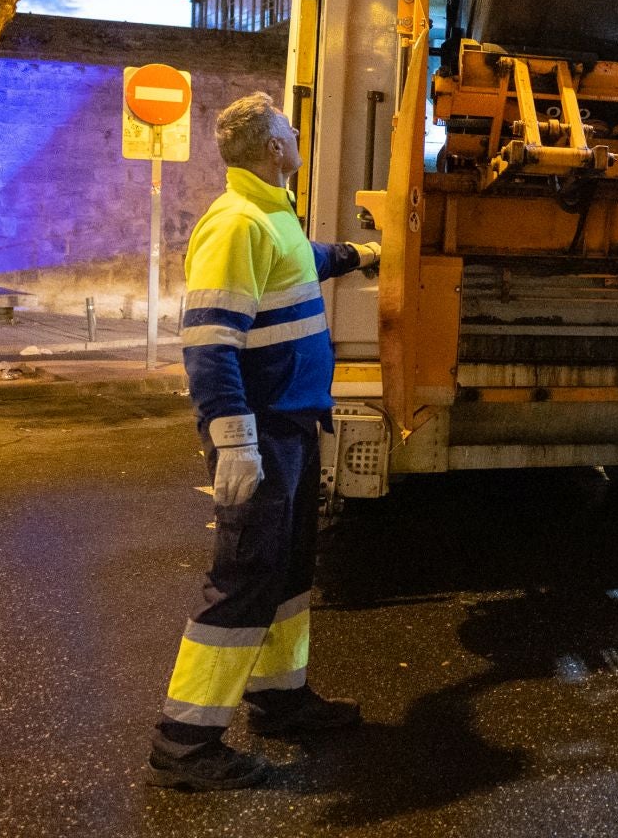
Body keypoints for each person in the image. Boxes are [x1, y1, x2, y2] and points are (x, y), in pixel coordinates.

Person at [145, 93, 381, 791]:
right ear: (273, 149)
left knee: (286, 573)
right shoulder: (238, 223)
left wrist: (359, 255)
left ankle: (280, 701)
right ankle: (184, 745)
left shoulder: (271, 218)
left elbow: (300, 262)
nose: (297, 133)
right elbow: (209, 343)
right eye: (288, 129)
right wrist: (234, 442)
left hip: (290, 427)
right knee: (245, 581)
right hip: (260, 434)